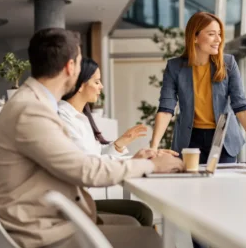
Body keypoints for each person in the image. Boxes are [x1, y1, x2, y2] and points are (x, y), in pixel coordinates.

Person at [0, 28, 184, 248]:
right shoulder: (31, 111)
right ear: (70, 67)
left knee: (137, 224)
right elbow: (87, 171)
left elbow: (80, 163)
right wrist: (150, 165)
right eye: (80, 62)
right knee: (148, 239)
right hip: (41, 230)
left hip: (45, 217)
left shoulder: (33, 104)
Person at [59, 57, 175, 227]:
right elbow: (92, 166)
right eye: (97, 81)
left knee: (142, 212)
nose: (101, 87)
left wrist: (120, 144)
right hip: (74, 205)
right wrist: (137, 160)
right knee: (138, 217)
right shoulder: (64, 118)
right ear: (81, 85)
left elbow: (96, 156)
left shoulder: (80, 117)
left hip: (81, 199)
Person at [150, 11, 246, 165]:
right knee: (191, 186)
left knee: (223, 187)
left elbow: (240, 105)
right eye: (211, 34)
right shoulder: (175, 67)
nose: (218, 39)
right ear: (194, 37)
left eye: (219, 34)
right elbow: (166, 108)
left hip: (223, 138)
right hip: (190, 140)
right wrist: (154, 147)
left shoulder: (228, 63)